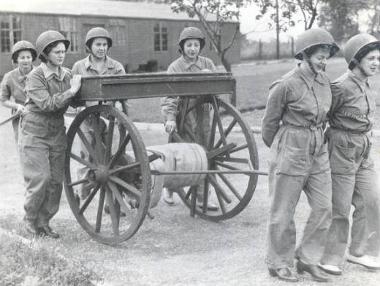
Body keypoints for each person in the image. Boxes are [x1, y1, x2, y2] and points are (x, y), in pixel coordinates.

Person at [261, 28, 339, 282]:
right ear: (305, 55)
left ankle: (307, 258)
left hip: (318, 147)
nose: (323, 61)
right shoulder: (286, 84)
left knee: (324, 206)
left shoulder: (325, 81)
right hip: (291, 145)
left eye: (326, 56)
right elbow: (269, 125)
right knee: (283, 209)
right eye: (319, 56)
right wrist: (284, 149)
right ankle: (279, 262)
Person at [319, 33, 380, 275]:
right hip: (342, 148)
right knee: (340, 207)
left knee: (372, 199)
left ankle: (359, 251)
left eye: (379, 58)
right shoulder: (340, 87)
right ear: (356, 60)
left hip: (363, 149)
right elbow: (321, 115)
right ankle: (330, 257)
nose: (376, 63)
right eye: (371, 58)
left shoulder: (366, 84)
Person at [19, 30, 81, 238]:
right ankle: (29, 222)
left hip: (56, 131)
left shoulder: (68, 74)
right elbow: (46, 104)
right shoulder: (35, 76)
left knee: (56, 180)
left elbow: (77, 100)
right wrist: (71, 92)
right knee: (40, 178)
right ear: (45, 54)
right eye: (56, 52)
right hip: (34, 131)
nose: (61, 55)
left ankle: (44, 222)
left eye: (63, 51)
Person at [161, 26, 217, 210]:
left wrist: (210, 81)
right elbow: (169, 96)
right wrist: (170, 117)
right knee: (181, 155)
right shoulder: (175, 67)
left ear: (200, 46)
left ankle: (202, 197)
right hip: (183, 115)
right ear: (182, 46)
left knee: (205, 153)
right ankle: (170, 189)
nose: (192, 49)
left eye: (196, 45)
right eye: (189, 45)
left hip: (203, 115)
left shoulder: (207, 64)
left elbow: (218, 87)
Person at [71, 27, 126, 215]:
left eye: (104, 45)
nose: (101, 48)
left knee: (112, 159)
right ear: (89, 46)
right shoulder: (79, 67)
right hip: (88, 119)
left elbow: (124, 94)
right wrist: (78, 106)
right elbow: (74, 95)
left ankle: (111, 201)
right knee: (87, 157)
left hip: (110, 120)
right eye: (98, 45)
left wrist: (119, 105)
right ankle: (81, 190)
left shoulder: (116, 67)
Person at [0, 40, 37, 142]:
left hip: (39, 116)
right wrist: (17, 106)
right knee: (23, 148)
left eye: (28, 57)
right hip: (20, 117)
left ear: (32, 58)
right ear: (16, 59)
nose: (26, 61)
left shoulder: (41, 73)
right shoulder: (9, 77)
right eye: (22, 58)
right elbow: (3, 100)